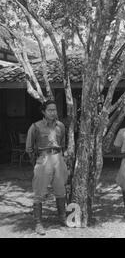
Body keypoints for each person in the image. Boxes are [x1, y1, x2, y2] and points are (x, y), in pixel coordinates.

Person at [26, 100, 68, 235]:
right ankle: (38, 223)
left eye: (54, 110)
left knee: (61, 189)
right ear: (43, 112)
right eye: (50, 110)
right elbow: (29, 148)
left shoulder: (60, 126)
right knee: (39, 192)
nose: (53, 112)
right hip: (43, 159)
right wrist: (37, 163)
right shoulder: (35, 127)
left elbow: (63, 143)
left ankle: (62, 217)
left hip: (58, 158)